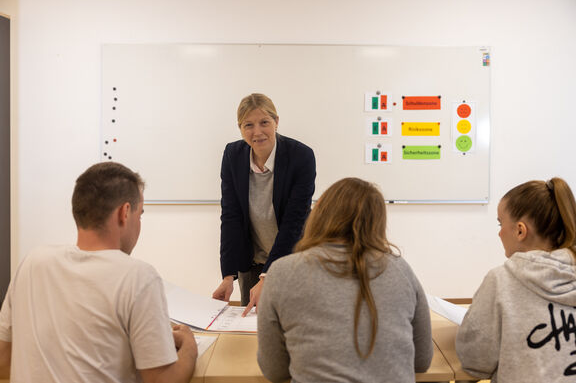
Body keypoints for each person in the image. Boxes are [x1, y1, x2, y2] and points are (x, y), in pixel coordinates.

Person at [0, 162, 197, 383]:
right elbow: (162, 381)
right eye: (139, 215)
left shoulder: (32, 263)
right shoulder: (138, 276)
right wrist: (189, 347)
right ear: (124, 213)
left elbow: (4, 359)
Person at [257, 177, 433, 382]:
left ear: (318, 215)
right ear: (377, 221)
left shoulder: (283, 272)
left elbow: (274, 371)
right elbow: (421, 361)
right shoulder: (399, 269)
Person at [456, 177, 576, 383]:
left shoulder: (500, 281)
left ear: (520, 230)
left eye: (500, 223)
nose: (500, 232)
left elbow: (475, 362)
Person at [212, 93, 316, 315]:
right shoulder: (233, 155)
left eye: (264, 122)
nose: (257, 132)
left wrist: (268, 276)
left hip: (293, 260)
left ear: (276, 122)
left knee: (293, 323)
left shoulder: (301, 156)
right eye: (248, 125)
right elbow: (231, 216)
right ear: (240, 128)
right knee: (250, 327)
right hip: (252, 261)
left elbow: (294, 223)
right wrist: (228, 276)